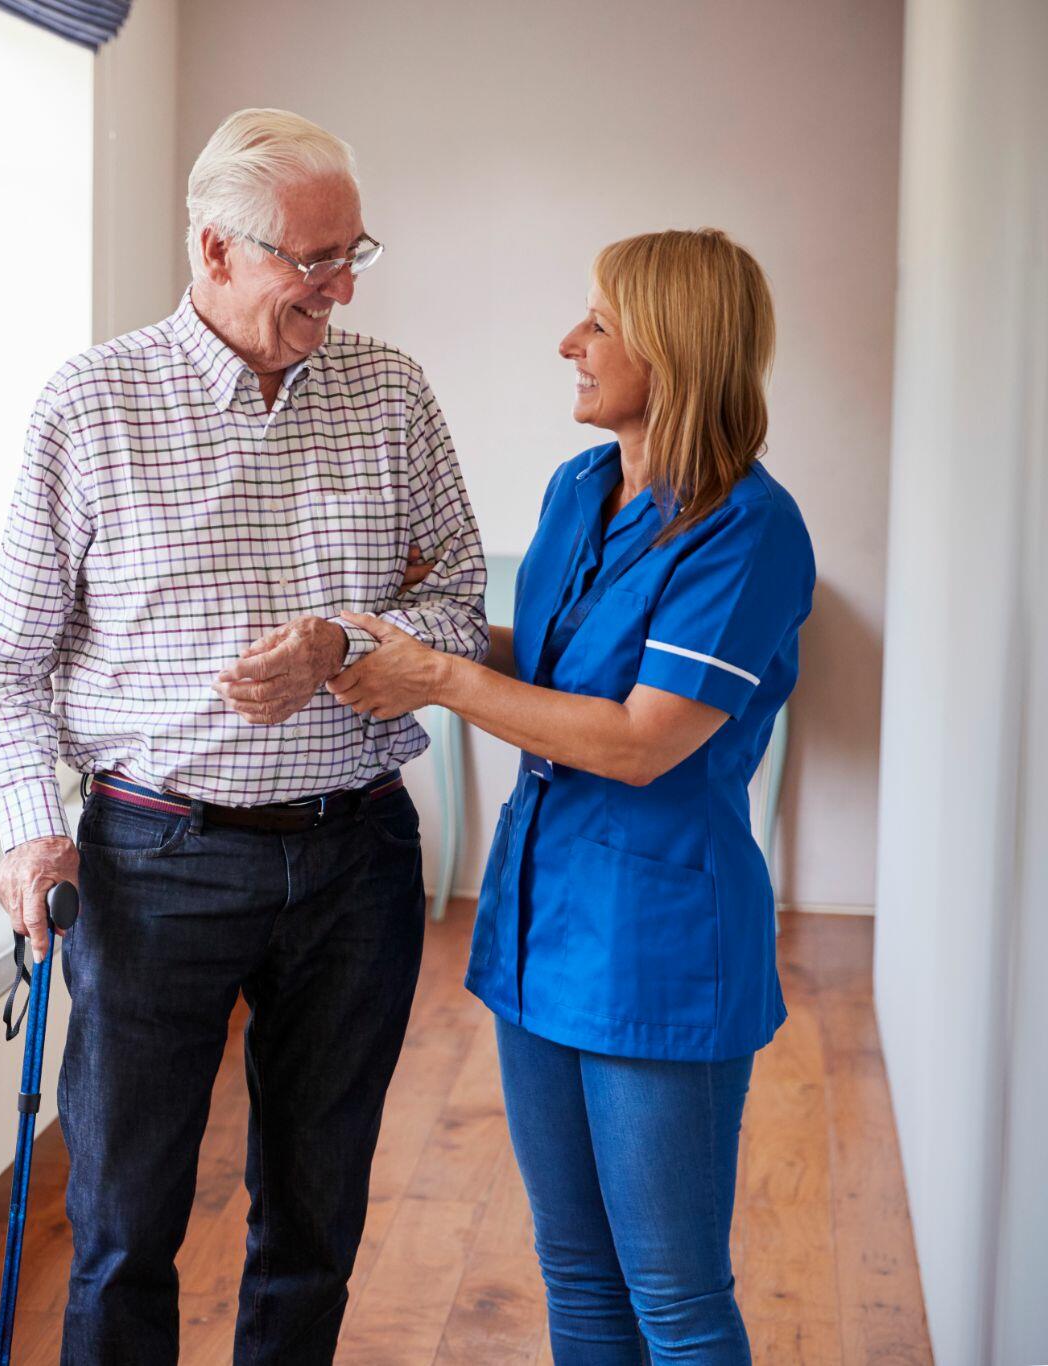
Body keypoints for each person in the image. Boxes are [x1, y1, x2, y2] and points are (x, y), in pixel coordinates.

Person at [0, 108, 488, 1364]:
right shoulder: (90, 404)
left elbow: (460, 607)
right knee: (123, 1229)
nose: (340, 286)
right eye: (313, 259)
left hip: (354, 861)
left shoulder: (390, 391)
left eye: (353, 253)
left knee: (313, 1227)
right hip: (155, 864)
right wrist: (30, 831)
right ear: (214, 250)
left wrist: (339, 642)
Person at [328, 228, 814, 1363]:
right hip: (539, 922)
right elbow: (557, 668)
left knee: (676, 1298)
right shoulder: (578, 487)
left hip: (656, 943)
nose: (569, 343)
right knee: (577, 1274)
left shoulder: (747, 529)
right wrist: (408, 642)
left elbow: (643, 741)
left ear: (674, 347)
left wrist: (438, 678)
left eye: (597, 322)